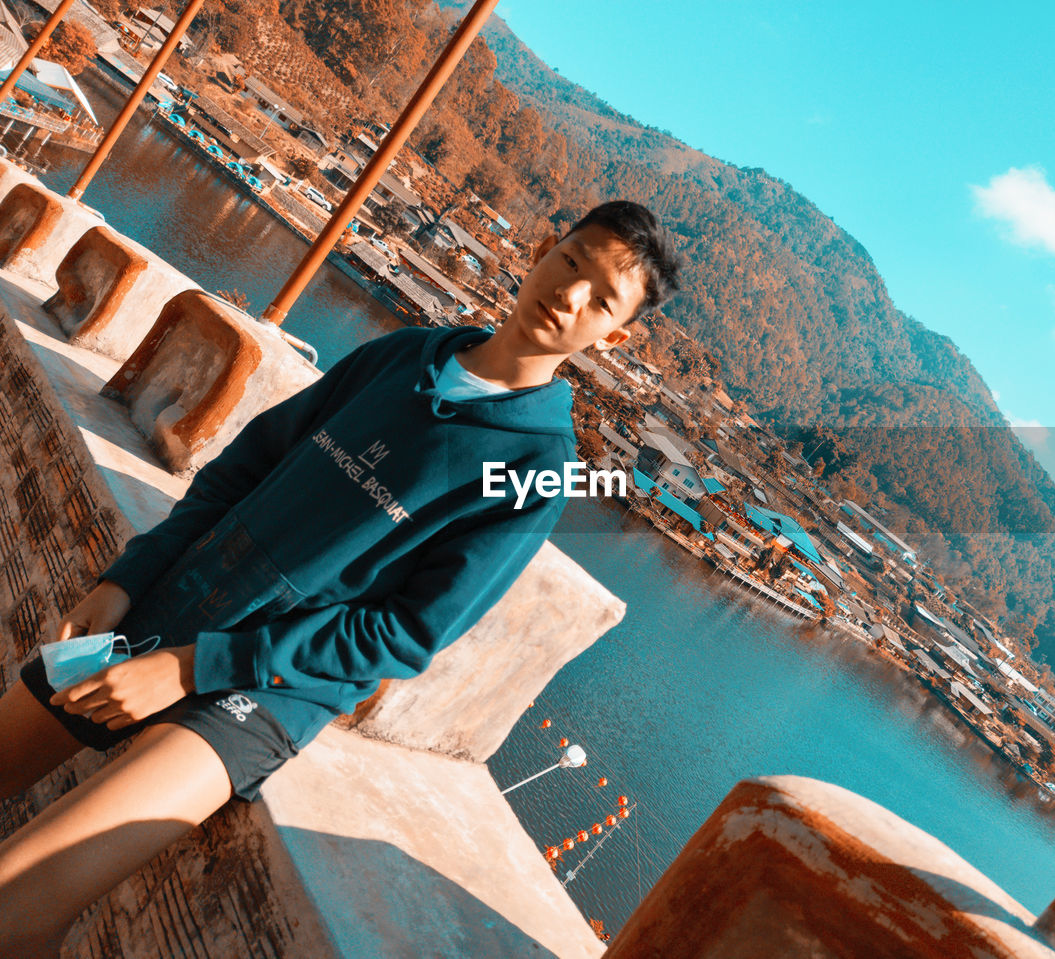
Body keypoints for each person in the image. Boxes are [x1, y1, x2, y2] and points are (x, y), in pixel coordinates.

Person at [0, 199, 681, 956]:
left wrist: (195, 666)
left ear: (614, 334)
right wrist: (126, 579)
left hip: (264, 691)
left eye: (601, 298)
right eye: (573, 260)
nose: (570, 292)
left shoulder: (533, 468)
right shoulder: (406, 356)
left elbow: (403, 632)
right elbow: (243, 469)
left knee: (15, 902)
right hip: (173, 599)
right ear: (547, 247)